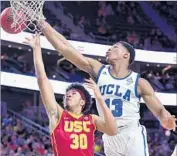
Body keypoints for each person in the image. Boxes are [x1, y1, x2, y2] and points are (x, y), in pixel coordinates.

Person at [36, 19, 177, 156]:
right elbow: (64, 46)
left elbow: (159, 110)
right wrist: (45, 26)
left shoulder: (139, 82)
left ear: (125, 55)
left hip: (131, 134)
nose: (109, 49)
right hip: (110, 136)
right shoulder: (98, 70)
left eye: (115, 47)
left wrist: (166, 119)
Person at [23, 33, 117, 156]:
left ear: (82, 102)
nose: (68, 95)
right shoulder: (57, 115)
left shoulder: (91, 119)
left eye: (73, 93)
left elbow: (112, 130)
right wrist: (36, 49)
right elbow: (42, 79)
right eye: (67, 94)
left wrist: (100, 98)